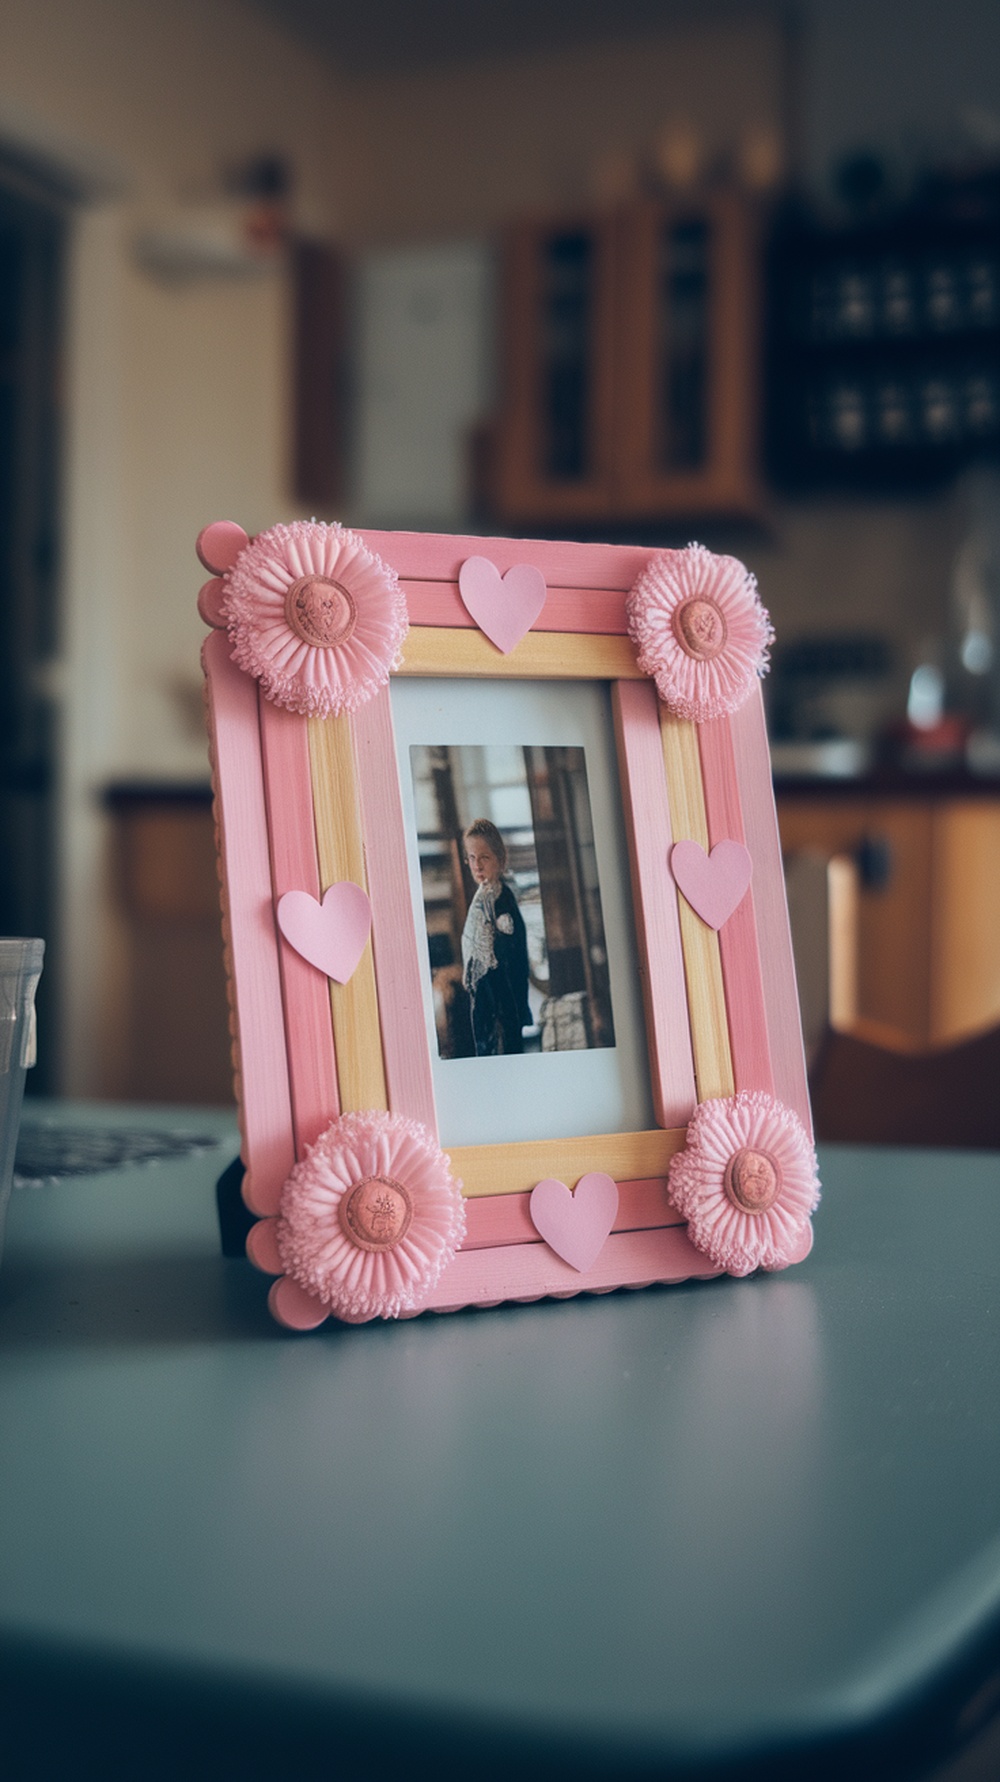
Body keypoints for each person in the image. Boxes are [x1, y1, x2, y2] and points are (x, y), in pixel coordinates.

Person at [460, 819, 531, 1056]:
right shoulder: (483, 898)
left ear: (500, 860)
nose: (477, 865)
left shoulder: (502, 899)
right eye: (472, 858)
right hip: (486, 1001)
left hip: (503, 1004)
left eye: (484, 857)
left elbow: (512, 959)